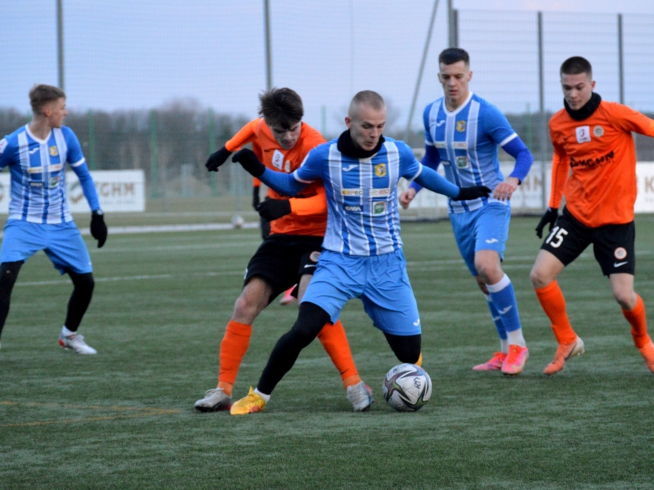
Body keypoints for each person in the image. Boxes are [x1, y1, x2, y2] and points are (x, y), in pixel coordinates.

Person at [227, 90, 491, 415]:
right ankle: (259, 396)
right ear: (349, 122)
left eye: (379, 126)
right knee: (304, 329)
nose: (374, 134)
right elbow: (291, 185)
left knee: (409, 352)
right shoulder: (325, 156)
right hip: (338, 263)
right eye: (367, 126)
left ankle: (406, 376)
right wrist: (257, 168)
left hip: (387, 266)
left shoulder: (397, 153)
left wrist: (461, 192)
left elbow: (425, 175)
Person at [530, 56, 654, 375]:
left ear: (592, 85)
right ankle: (566, 339)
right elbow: (560, 160)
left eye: (579, 87)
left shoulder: (615, 114)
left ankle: (642, 340)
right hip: (577, 217)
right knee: (539, 275)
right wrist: (554, 206)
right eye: (566, 88)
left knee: (623, 296)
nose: (573, 94)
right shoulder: (557, 123)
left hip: (616, 222)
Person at [197, 88, 368, 412]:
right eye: (281, 130)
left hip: (318, 238)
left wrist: (288, 206)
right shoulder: (262, 127)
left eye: (294, 128)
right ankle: (222, 390)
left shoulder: (316, 145)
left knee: (311, 305)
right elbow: (251, 129)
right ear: (269, 124)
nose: (289, 136)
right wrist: (226, 149)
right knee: (245, 304)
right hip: (280, 237)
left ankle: (354, 384)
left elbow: (330, 201)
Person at [399, 47, 534, 375]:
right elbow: (431, 160)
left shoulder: (486, 113)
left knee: (487, 266)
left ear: (469, 76)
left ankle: (518, 345)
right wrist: (413, 189)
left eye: (459, 76)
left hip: (490, 203)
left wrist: (513, 180)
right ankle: (503, 351)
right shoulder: (431, 114)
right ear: (439, 77)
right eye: (446, 77)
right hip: (458, 210)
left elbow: (523, 154)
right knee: (482, 280)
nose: (453, 83)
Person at [0, 84, 108, 364]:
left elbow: (84, 175)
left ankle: (69, 335)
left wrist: (96, 213)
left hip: (61, 223)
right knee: (6, 276)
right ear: (48, 111)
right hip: (23, 223)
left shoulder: (66, 137)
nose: (66, 112)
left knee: (86, 283)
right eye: (62, 107)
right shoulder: (13, 143)